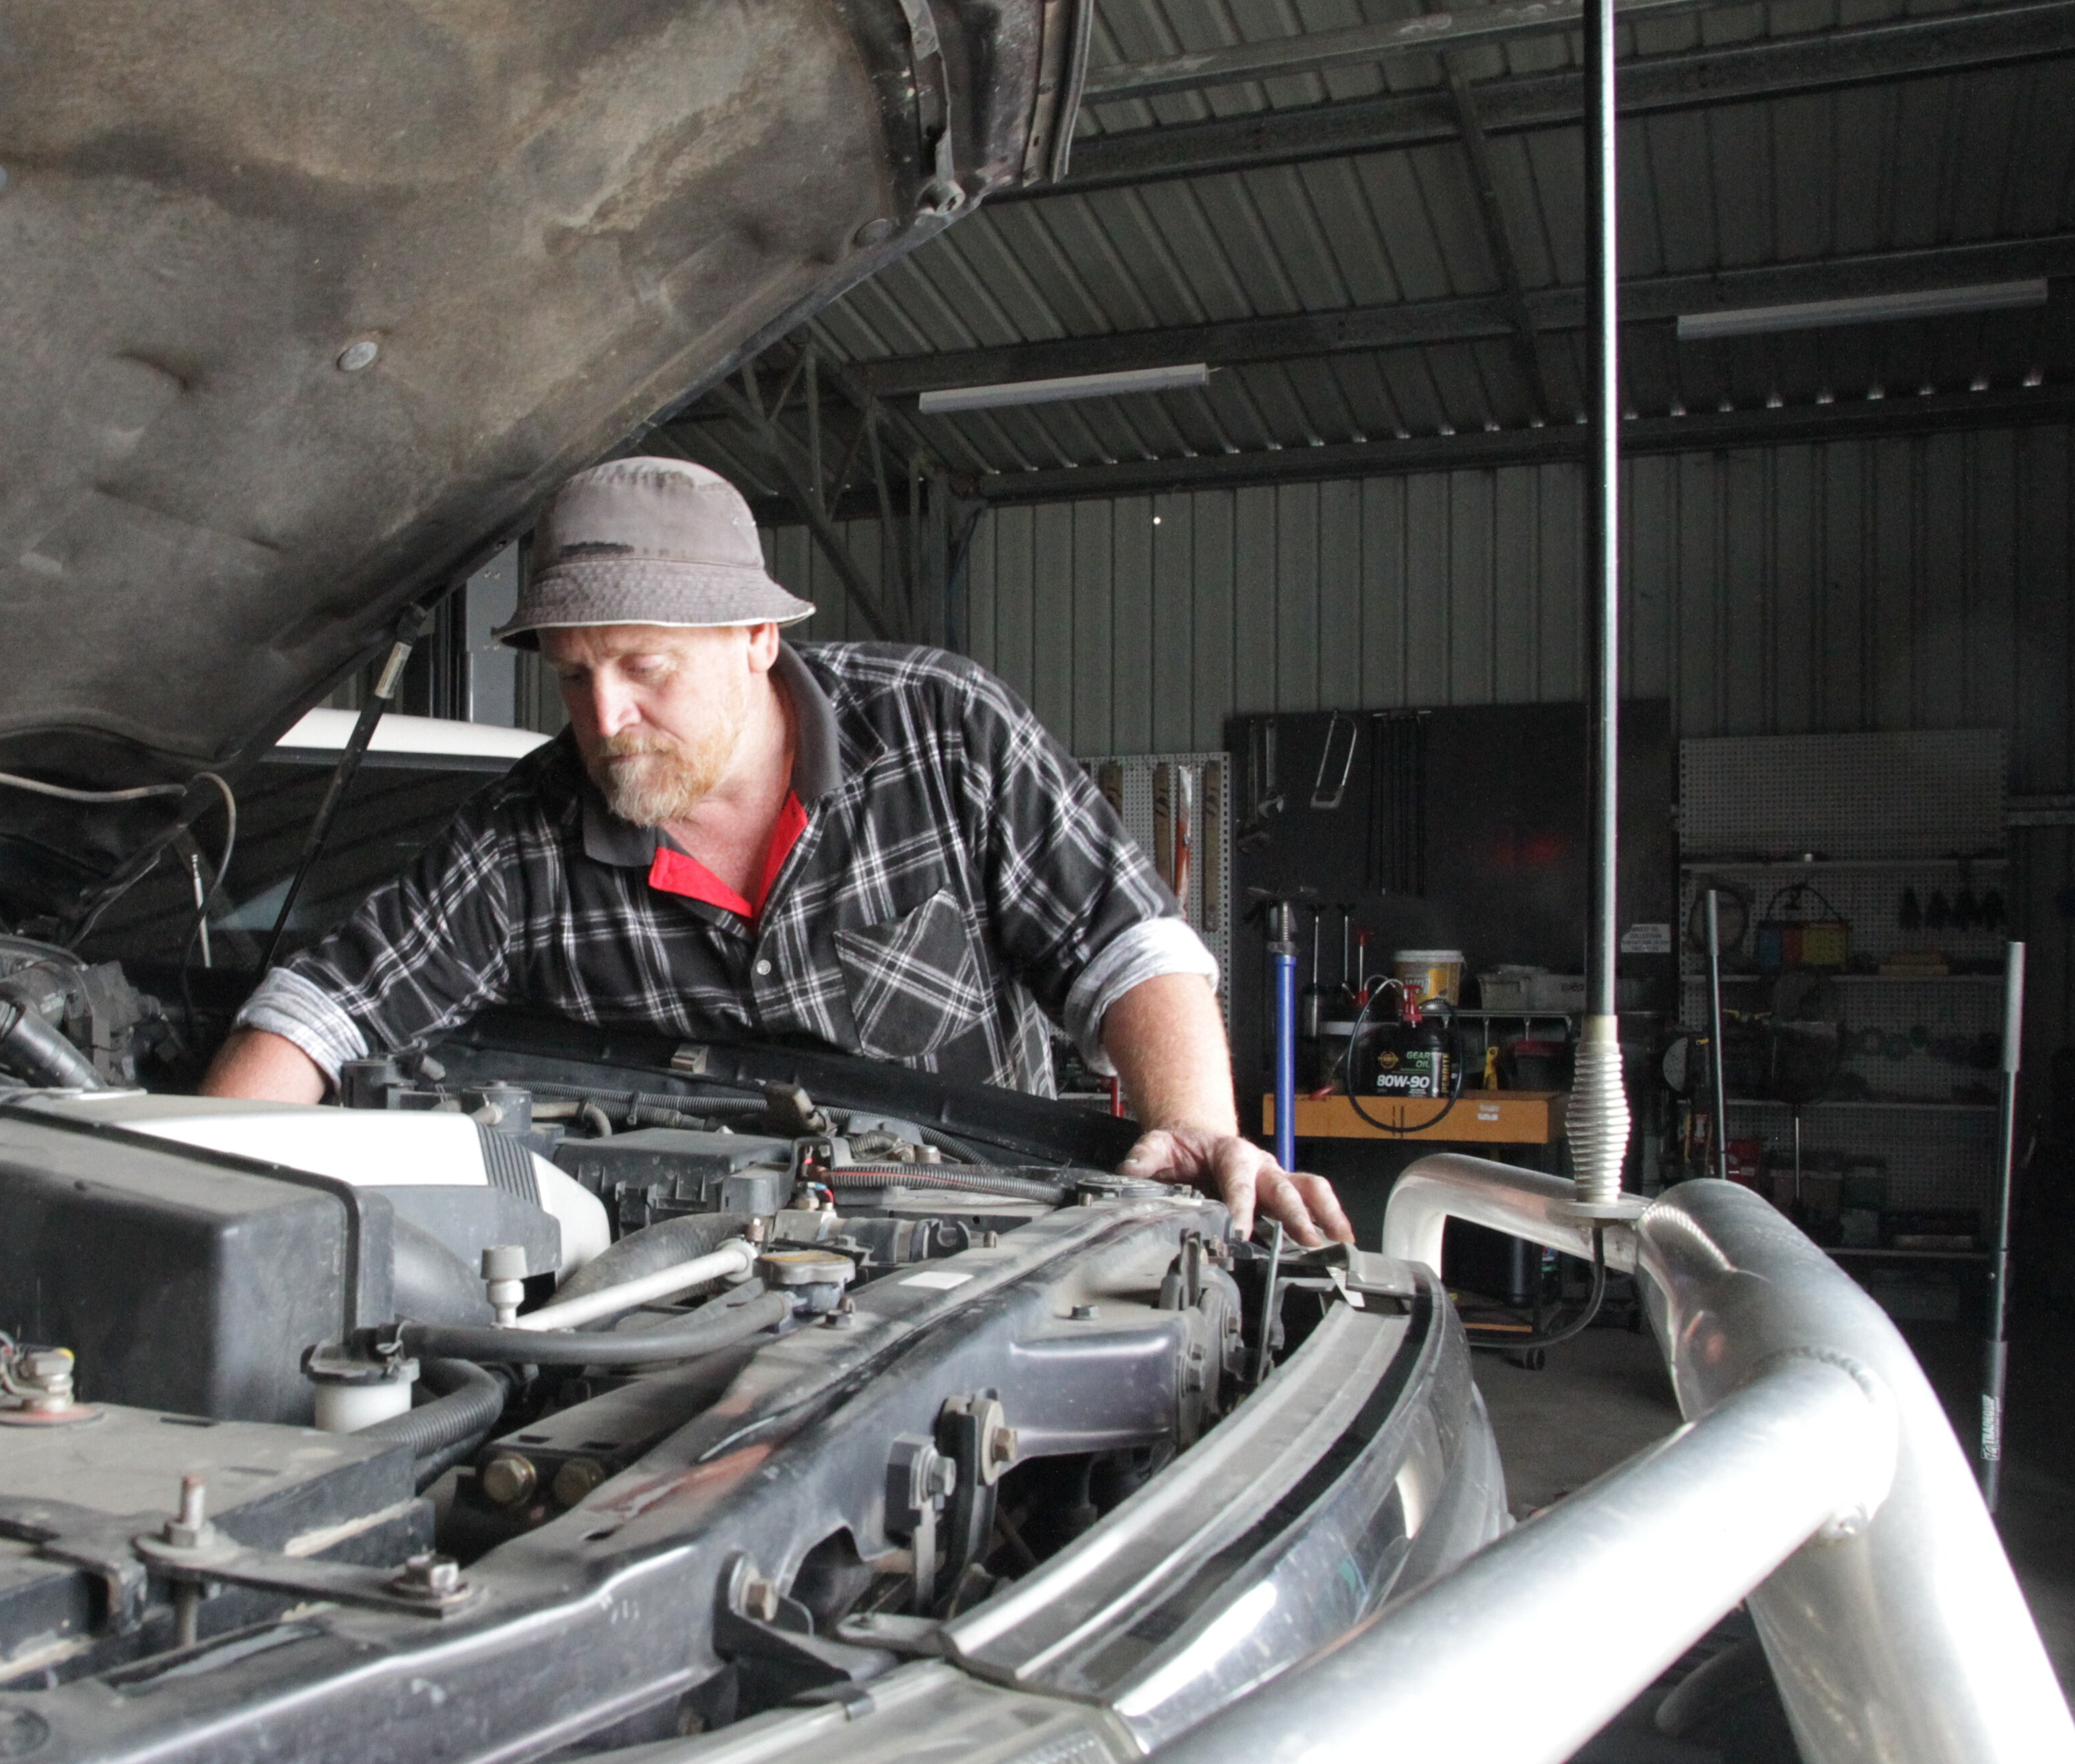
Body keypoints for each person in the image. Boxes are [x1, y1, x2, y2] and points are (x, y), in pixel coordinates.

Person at [201, 455, 1352, 1246]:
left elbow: (1128, 944)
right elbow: (324, 1009)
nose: (603, 719)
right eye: (571, 673)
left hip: (983, 1265)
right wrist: (208, 1202)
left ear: (757, 636)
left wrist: (1201, 1125)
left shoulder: (940, 730)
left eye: (645, 667)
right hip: (669, 1288)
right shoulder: (524, 839)